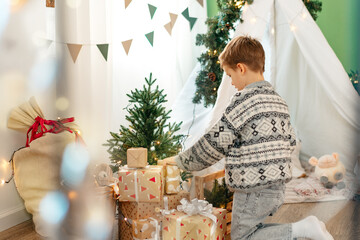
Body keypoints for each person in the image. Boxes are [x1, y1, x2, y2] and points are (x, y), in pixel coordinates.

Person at [164, 36, 334, 240]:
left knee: (242, 237)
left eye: (229, 75)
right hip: (277, 187)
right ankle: (301, 230)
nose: (232, 82)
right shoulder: (278, 101)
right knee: (255, 230)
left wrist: (180, 161)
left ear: (241, 68)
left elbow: (214, 143)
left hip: (254, 189)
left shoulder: (243, 102)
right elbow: (290, 141)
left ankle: (303, 229)